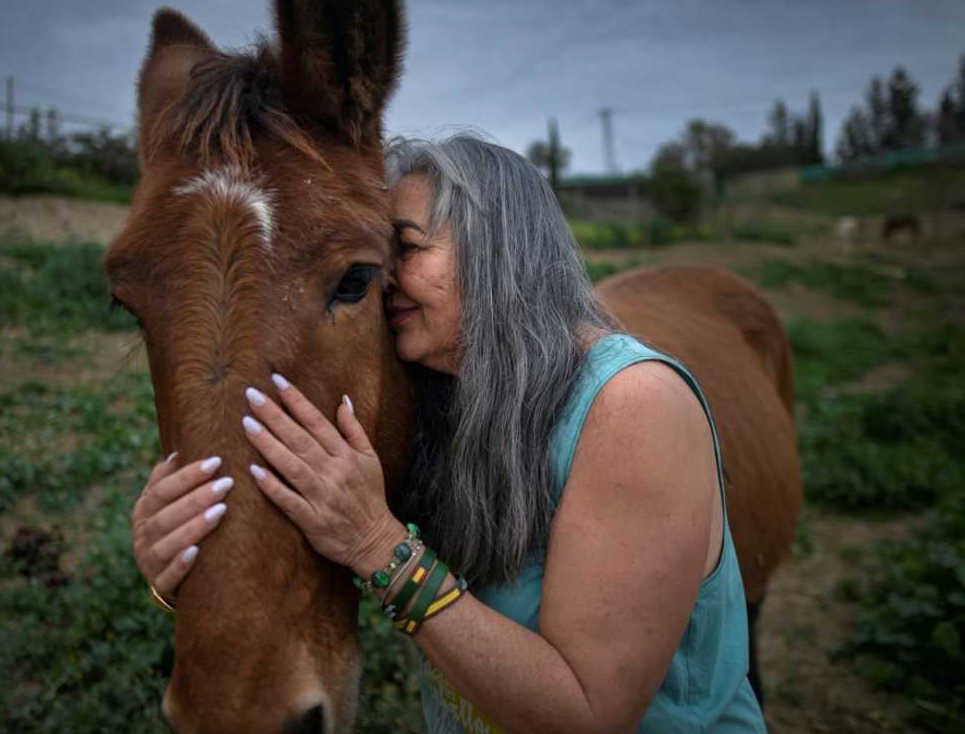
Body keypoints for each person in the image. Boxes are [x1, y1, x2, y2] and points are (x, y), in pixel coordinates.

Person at [131, 134, 766, 733]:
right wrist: (181, 566)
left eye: (404, 249)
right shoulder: (440, 394)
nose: (382, 280)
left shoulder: (632, 405)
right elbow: (316, 534)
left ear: (499, 252)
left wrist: (381, 545)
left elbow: (591, 716)